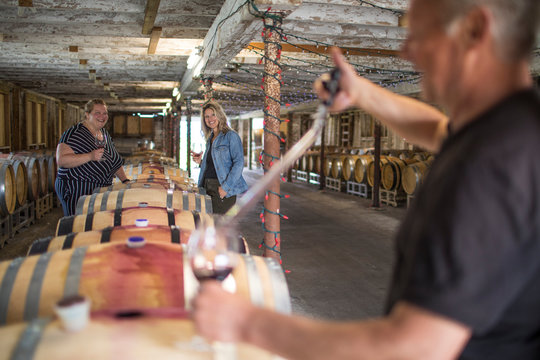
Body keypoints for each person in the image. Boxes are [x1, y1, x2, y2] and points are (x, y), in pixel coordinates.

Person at [192, 0, 540, 359]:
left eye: (420, 34)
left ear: (474, 30)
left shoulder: (491, 167)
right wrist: (362, 91)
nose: (406, 49)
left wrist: (248, 323)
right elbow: (435, 128)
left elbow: (414, 348)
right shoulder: (511, 126)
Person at [55, 99, 129, 216]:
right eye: (97, 113)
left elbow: (114, 161)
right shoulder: (74, 133)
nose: (102, 116)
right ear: (87, 114)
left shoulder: (104, 134)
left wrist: (125, 181)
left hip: (100, 191)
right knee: (77, 225)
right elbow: (61, 160)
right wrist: (90, 156)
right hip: (77, 189)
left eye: (105, 113)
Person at [192, 100, 248, 214]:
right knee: (208, 224)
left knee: (218, 225)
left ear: (219, 115)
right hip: (206, 186)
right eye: (206, 116)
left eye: (213, 114)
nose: (210, 119)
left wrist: (225, 187)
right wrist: (201, 162)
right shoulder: (210, 138)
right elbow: (216, 165)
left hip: (221, 187)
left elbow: (239, 163)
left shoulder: (231, 136)